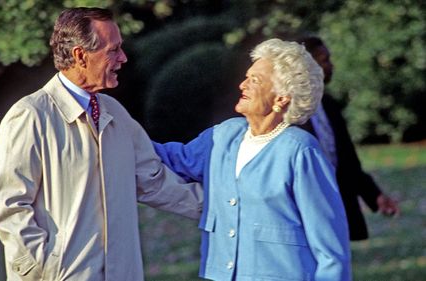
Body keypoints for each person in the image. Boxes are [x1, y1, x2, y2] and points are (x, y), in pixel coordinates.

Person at [0, 7, 203, 281]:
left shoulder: (117, 115)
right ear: (80, 55)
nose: (123, 58)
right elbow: (8, 206)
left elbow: (156, 183)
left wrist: (222, 208)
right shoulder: (30, 116)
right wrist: (42, 270)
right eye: (113, 50)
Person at [154, 39, 351, 280]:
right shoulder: (223, 136)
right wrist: (118, 132)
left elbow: (330, 247)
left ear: (282, 98)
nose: (242, 85)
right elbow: (170, 159)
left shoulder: (301, 152)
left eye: (254, 80)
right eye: (247, 77)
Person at [297, 35, 400, 240]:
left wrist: (374, 195)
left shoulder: (329, 105)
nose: (331, 66)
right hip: (305, 212)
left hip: (335, 207)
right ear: (308, 65)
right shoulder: (289, 111)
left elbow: (346, 159)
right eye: (324, 60)